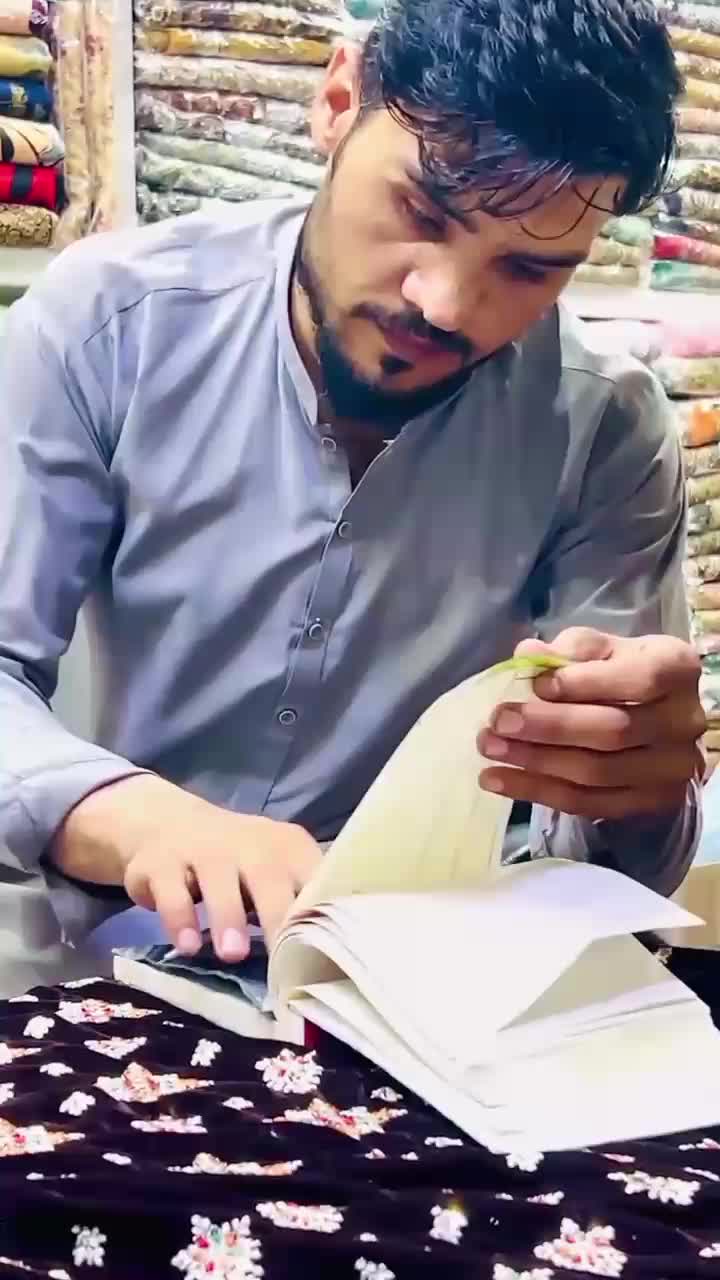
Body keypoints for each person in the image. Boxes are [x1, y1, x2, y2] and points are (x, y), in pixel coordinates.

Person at [0, 0, 706, 989]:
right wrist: (137, 816)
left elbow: (608, 860)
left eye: (529, 268)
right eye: (422, 211)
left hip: (396, 983)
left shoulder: (607, 427)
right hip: (84, 951)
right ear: (339, 101)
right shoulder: (110, 324)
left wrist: (640, 786)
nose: (445, 305)